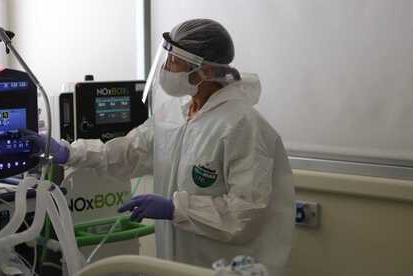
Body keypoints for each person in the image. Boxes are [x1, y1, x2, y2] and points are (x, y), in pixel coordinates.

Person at [22, 18, 295, 276]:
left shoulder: (242, 125)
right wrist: (69, 152)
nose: (166, 69)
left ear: (207, 71)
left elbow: (245, 213)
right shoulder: (174, 114)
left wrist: (175, 208)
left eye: (174, 61)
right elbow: (130, 151)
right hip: (175, 262)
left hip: (220, 266)